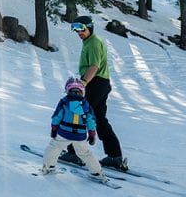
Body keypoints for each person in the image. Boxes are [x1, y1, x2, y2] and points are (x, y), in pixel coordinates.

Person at [64, 15, 127, 171]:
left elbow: (94, 66)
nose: (78, 32)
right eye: (75, 29)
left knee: (79, 116)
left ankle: (75, 153)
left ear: (89, 27)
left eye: (81, 28)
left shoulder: (93, 42)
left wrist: (83, 83)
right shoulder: (91, 42)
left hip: (95, 83)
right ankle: (114, 156)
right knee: (99, 119)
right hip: (101, 83)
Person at [41, 78, 106, 181]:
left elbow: (57, 117)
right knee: (85, 153)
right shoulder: (86, 105)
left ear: (67, 90)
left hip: (64, 133)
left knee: (54, 147)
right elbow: (91, 121)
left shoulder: (64, 102)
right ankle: (96, 173)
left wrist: (54, 129)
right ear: (83, 91)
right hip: (80, 135)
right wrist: (92, 134)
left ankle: (48, 167)